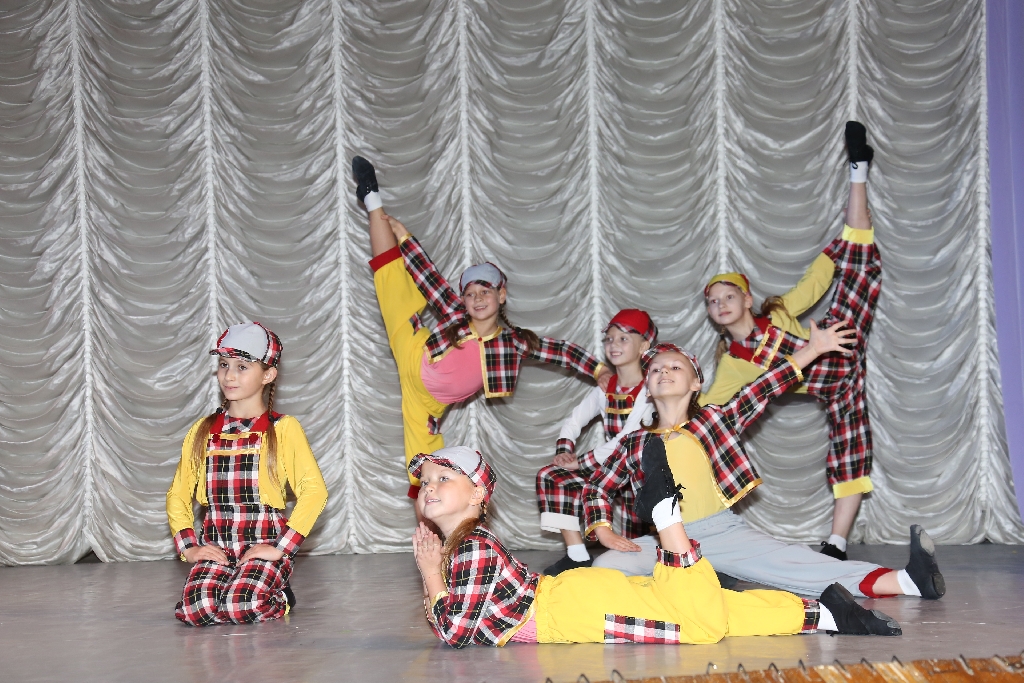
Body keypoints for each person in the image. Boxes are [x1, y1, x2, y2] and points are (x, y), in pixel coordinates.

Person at [410, 445, 901, 648]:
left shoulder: (470, 548)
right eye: (425, 481)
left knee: (699, 628)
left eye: (443, 477)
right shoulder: (469, 545)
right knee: (709, 610)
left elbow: (454, 632)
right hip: (573, 598)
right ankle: (827, 613)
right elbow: (460, 619)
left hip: (572, 612)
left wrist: (430, 572)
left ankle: (667, 519)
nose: (429, 486)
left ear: (478, 494)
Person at [583, 342, 945, 601]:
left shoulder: (714, 419)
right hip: (664, 540)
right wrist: (603, 530)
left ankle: (908, 581)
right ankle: (700, 585)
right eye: (656, 370)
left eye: (675, 367)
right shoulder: (634, 442)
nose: (664, 372)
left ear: (695, 383)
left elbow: (765, 387)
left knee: (798, 564)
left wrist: (814, 348)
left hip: (720, 532)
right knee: (605, 567)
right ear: (647, 388)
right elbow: (597, 486)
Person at [353, 156, 611, 500]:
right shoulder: (455, 313)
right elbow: (429, 277)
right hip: (413, 349)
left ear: (501, 296)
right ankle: (372, 198)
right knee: (390, 279)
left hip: (426, 403)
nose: (477, 299)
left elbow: (560, 351)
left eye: (485, 292)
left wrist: (599, 369)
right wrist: (404, 237)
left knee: (423, 466)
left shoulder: (513, 343)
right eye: (470, 294)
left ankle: (431, 520)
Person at [702, 121, 880, 560]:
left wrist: (835, 254)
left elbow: (815, 282)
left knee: (858, 254)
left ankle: (858, 169)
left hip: (841, 339)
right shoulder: (733, 363)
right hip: (838, 389)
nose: (721, 305)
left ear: (747, 299)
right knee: (849, 455)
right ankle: (837, 544)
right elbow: (709, 409)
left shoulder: (778, 312)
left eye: (729, 296)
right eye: (713, 302)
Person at [166, 322, 328, 626]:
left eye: (242, 367)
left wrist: (280, 548)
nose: (229, 375)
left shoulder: (283, 429)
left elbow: (314, 490)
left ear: (268, 375)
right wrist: (190, 547)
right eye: (224, 365)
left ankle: (280, 596)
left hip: (263, 544)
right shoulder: (202, 431)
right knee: (196, 611)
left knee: (241, 606)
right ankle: (227, 586)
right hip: (217, 546)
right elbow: (178, 493)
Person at [537, 309, 656, 576]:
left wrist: (581, 462)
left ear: (644, 346)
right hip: (611, 469)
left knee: (638, 546)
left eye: (623, 339)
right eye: (609, 339)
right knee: (552, 475)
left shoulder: (650, 389)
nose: (614, 344)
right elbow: (574, 419)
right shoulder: (606, 387)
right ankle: (577, 555)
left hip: (640, 471)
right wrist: (565, 450)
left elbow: (626, 439)